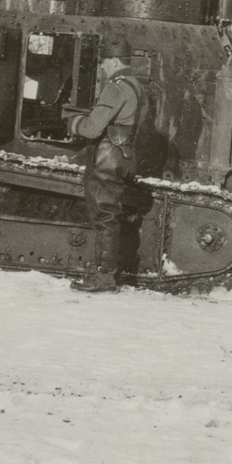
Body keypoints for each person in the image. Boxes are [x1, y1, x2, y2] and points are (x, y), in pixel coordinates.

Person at [67, 33, 144, 293]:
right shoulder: (136, 84)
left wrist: (71, 122)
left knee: (104, 216)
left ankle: (104, 278)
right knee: (111, 215)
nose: (101, 66)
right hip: (123, 155)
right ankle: (107, 274)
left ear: (113, 61)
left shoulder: (116, 86)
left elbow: (91, 129)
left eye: (103, 62)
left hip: (107, 157)